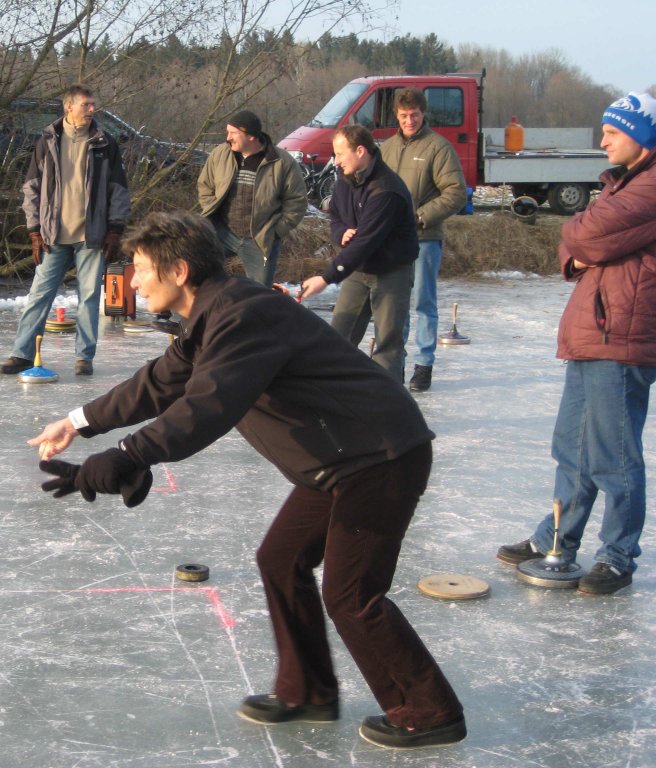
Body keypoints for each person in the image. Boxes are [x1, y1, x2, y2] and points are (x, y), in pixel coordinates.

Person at [29, 209, 466, 749]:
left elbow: (207, 407)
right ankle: (307, 690)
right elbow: (159, 383)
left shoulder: (242, 315)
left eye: (141, 269)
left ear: (180, 271)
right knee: (281, 559)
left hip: (379, 457)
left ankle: (429, 709)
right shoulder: (212, 317)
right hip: (340, 461)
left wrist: (127, 456)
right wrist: (78, 423)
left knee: (351, 593)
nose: (134, 280)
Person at [497, 92, 656, 595]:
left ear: (642, 137)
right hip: (593, 330)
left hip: (623, 334)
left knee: (614, 454)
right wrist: (579, 243)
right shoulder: (623, 182)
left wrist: (580, 240)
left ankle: (617, 555)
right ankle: (558, 538)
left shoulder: (649, 187)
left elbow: (582, 233)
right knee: (572, 447)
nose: (602, 139)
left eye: (612, 131)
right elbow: (575, 244)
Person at [0, 84, 130, 377]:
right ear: (68, 107)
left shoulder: (105, 143)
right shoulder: (47, 141)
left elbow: (119, 190)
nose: (92, 109)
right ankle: (21, 353)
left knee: (90, 298)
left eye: (93, 104)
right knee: (38, 296)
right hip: (52, 238)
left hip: (92, 237)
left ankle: (84, 358)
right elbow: (31, 188)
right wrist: (34, 230)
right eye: (86, 104)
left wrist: (116, 230)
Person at [300, 124, 419, 381]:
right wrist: (341, 231)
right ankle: (336, 397)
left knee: (387, 343)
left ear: (361, 151)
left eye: (340, 154)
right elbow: (335, 215)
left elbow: (365, 241)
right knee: (339, 337)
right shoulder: (346, 178)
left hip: (391, 270)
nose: (336, 161)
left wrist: (326, 278)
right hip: (359, 268)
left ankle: (389, 407)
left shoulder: (387, 190)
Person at [380, 88, 467, 392]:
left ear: (423, 113)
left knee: (423, 303)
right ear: (396, 115)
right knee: (394, 303)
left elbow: (455, 193)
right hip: (391, 242)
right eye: (403, 116)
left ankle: (423, 364)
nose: (409, 120)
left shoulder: (438, 147)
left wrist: (420, 216)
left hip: (425, 239)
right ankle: (395, 361)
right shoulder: (387, 149)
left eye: (414, 115)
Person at [197, 109, 307, 287]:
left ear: (250, 136)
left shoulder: (282, 162)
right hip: (221, 233)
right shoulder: (220, 154)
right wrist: (211, 212)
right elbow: (205, 185)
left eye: (233, 133)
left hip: (260, 241)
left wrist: (276, 231)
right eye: (227, 132)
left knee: (259, 293)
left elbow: (297, 202)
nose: (228, 137)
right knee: (199, 276)